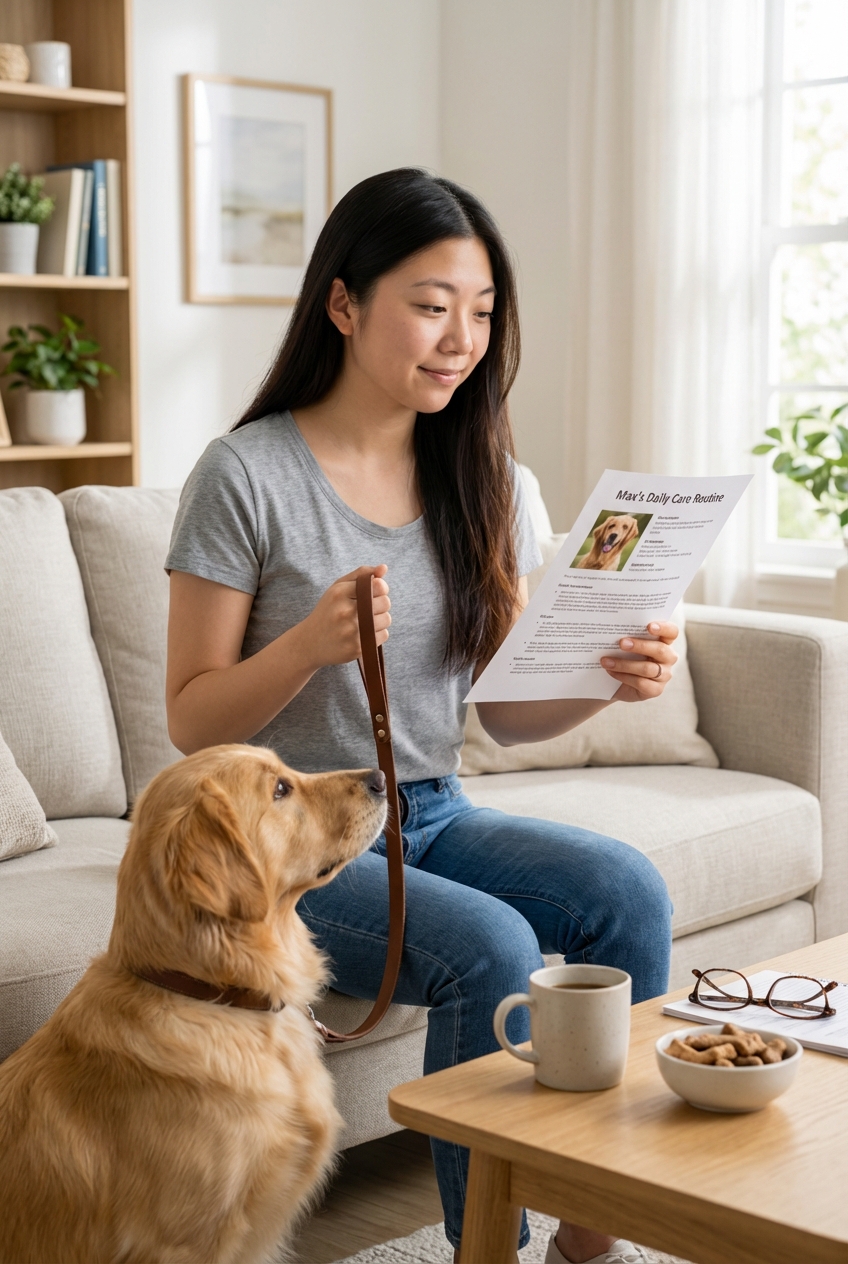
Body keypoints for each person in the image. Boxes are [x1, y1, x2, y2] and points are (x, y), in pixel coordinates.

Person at [165, 168, 676, 1264]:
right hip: (289, 844)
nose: (459, 339)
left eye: (481, 312)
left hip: (432, 810)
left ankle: (591, 1240)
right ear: (343, 304)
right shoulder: (244, 475)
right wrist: (306, 643)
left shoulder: (482, 468)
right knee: (488, 943)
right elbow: (190, 723)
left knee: (625, 888)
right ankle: (480, 1245)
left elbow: (505, 714)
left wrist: (606, 677)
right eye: (431, 304)